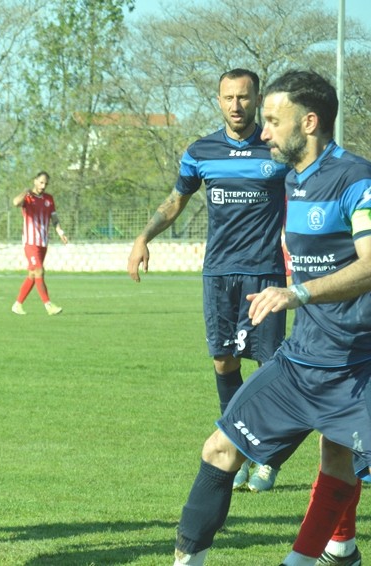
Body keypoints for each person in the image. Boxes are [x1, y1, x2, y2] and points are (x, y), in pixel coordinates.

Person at [172, 69, 371, 566]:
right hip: (300, 361)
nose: (263, 133)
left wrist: (297, 293)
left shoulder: (356, 179)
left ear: (309, 122)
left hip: (358, 365)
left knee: (338, 459)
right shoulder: (291, 178)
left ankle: (327, 555)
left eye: (274, 122)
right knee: (219, 450)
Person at [128, 68, 289, 492]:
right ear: (218, 100)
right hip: (218, 273)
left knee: (269, 367)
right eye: (228, 97)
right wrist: (143, 237)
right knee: (223, 361)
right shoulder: (201, 151)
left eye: (244, 97)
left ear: (258, 100)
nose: (236, 105)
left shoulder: (277, 149)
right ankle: (235, 451)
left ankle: (267, 457)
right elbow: (176, 199)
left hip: (265, 275)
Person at [11, 171, 68, 316]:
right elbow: (15, 202)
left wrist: (60, 232)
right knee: (39, 270)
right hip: (30, 242)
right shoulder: (28, 197)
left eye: (45, 184)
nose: (43, 186)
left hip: (43, 242)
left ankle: (17, 305)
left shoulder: (49, 199)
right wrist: (26, 191)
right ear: (35, 181)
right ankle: (48, 305)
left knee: (32, 274)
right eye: (41, 182)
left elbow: (54, 218)